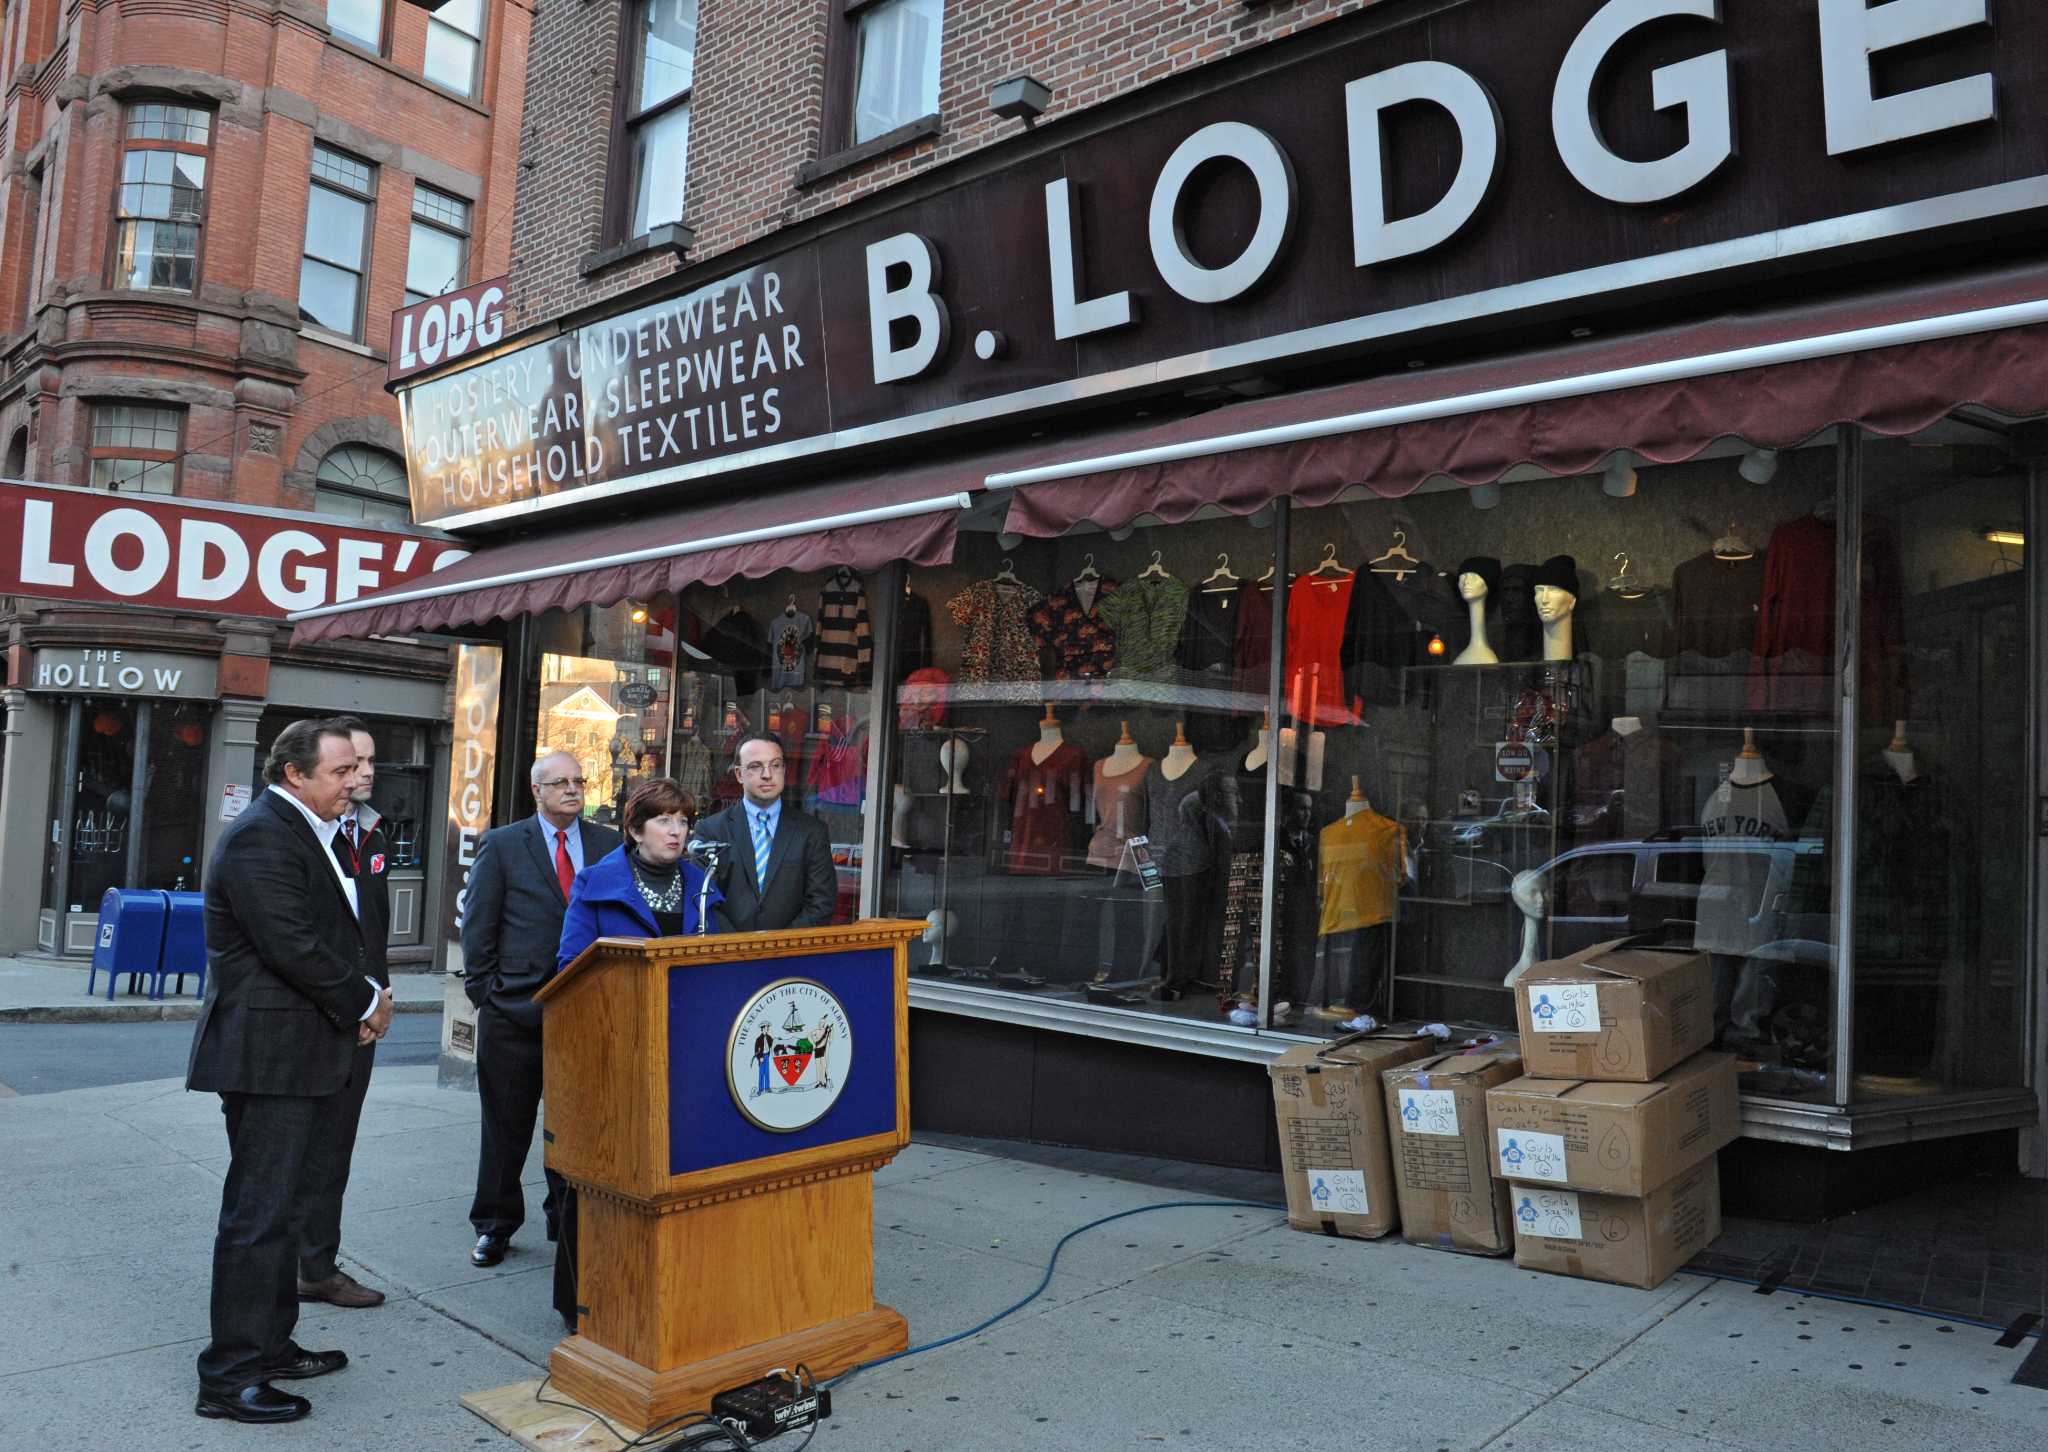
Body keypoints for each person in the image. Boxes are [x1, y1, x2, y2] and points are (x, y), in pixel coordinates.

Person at [186, 720, 394, 1424]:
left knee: (283, 1214)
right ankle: (229, 1376)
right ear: (295, 774)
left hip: (306, 1053)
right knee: (258, 1217)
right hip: (269, 1056)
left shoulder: (311, 828)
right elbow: (293, 945)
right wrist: (366, 999)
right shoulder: (262, 836)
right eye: (339, 772)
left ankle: (270, 1346)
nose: (353, 782)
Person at [550, 778, 719, 1330]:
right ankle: (585, 1300)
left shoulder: (700, 884)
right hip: (613, 1051)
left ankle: (670, 1292)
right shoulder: (598, 882)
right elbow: (572, 968)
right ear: (634, 828)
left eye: (684, 821)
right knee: (602, 1175)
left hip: (686, 1052)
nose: (677, 831)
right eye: (665, 820)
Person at [462, 751, 620, 1272]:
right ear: (537, 790)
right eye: (561, 783)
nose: (572, 790)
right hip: (514, 1013)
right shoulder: (504, 845)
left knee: (573, 1125)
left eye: (579, 781)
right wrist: (488, 993)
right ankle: (494, 1226)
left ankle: (566, 1216)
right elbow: (479, 927)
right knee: (505, 1128)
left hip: (582, 1012)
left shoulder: (607, 843)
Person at [292, 715, 391, 1311]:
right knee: (298, 1151)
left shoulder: (372, 831)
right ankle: (293, 1264)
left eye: (371, 762)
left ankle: (316, 1263)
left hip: (364, 1014)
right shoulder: (302, 833)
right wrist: (354, 998)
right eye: (354, 763)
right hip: (317, 1014)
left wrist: (378, 993)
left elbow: (368, 929)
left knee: (336, 1146)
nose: (367, 772)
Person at [692, 733, 837, 933]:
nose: (767, 774)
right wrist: (739, 947)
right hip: (728, 956)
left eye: (775, 765)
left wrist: (776, 947)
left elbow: (821, 902)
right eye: (755, 766)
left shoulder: (812, 831)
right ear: (739, 774)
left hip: (790, 956)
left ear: (784, 770)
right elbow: (703, 899)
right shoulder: (711, 831)